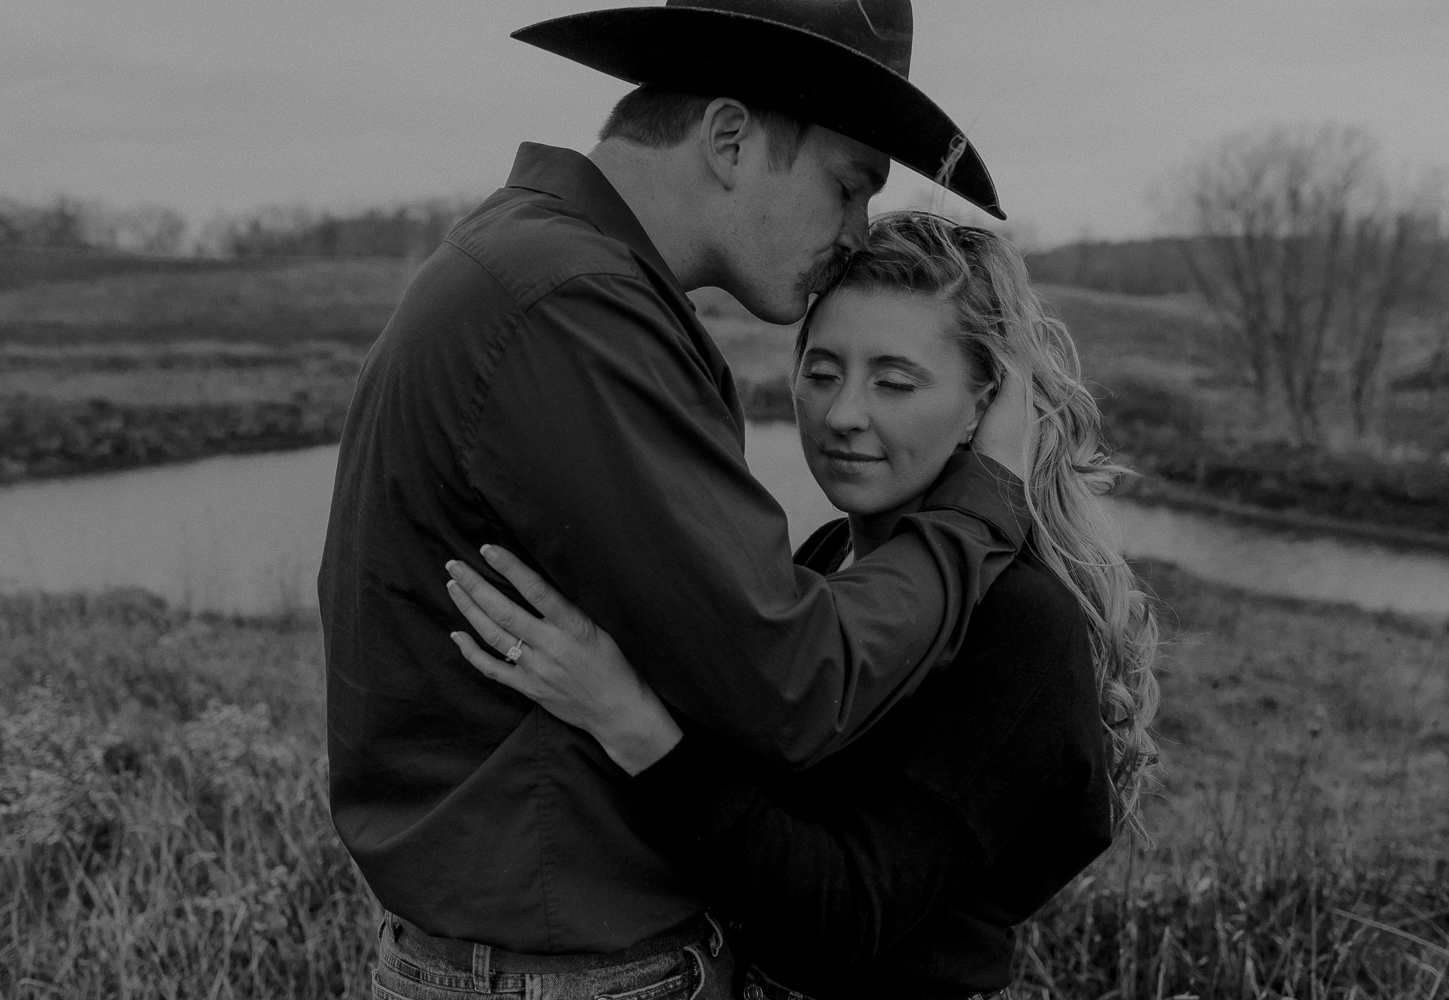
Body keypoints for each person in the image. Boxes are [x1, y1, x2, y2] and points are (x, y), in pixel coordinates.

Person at [317, 3, 1037, 998]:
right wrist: (978, 507)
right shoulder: (571, 304)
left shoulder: (540, 267)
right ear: (731, 140)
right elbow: (795, 683)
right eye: (848, 185)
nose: (857, 229)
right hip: (567, 973)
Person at [444, 212, 1164, 999]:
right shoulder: (829, 555)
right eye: (822, 373)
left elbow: (839, 915)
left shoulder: (1018, 623)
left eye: (895, 382)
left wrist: (627, 717)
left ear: (984, 408)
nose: (844, 413)